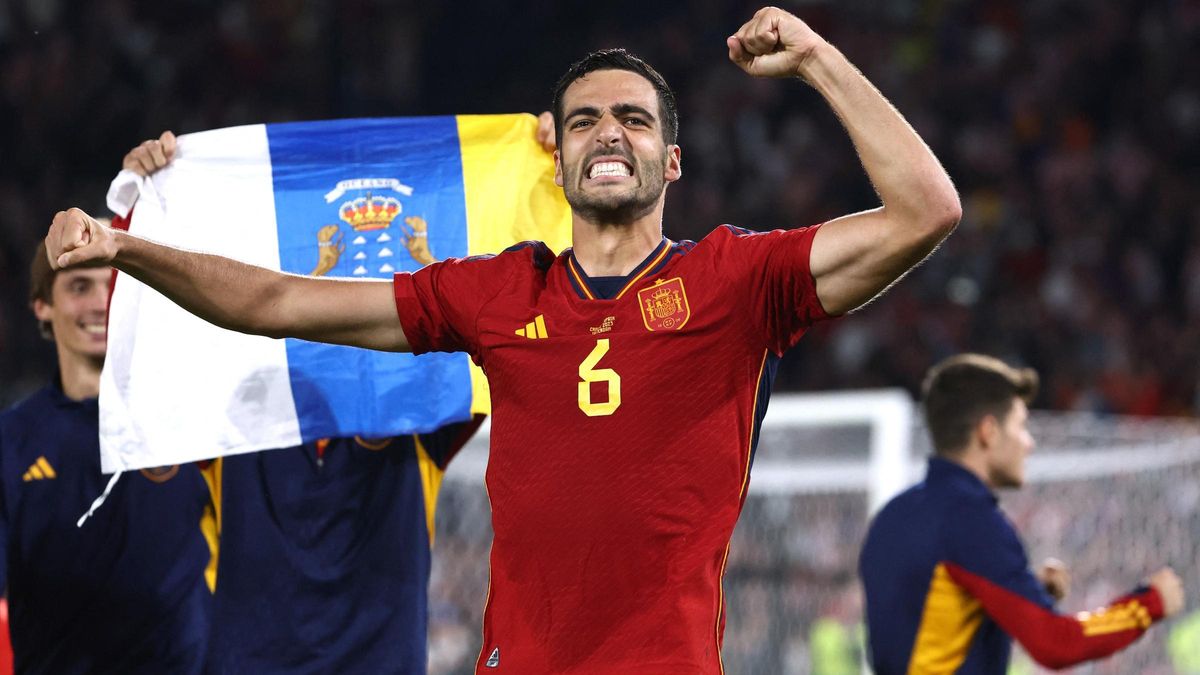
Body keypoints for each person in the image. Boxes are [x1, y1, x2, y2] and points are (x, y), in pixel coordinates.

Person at [46, 8, 961, 673]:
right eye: (587, 120)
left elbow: (926, 212)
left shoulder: (737, 280)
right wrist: (127, 245)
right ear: (555, 158)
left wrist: (818, 60)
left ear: (671, 161)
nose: (611, 133)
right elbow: (279, 300)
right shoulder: (496, 290)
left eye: (635, 119)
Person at [118, 135, 490, 675]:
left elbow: (484, 332)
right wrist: (142, 205)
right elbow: (158, 335)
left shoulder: (416, 427)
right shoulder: (228, 432)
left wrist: (542, 170)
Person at [859, 353, 1185, 674]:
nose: (1028, 443)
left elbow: (923, 628)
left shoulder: (893, 515)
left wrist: (1025, 590)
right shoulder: (970, 521)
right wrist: (1148, 604)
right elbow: (1057, 644)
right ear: (988, 431)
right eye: (1021, 425)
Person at [0, 241, 212, 674]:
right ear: (42, 305)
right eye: (80, 286)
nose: (101, 304)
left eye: (115, 286)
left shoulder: (196, 422)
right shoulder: (11, 440)